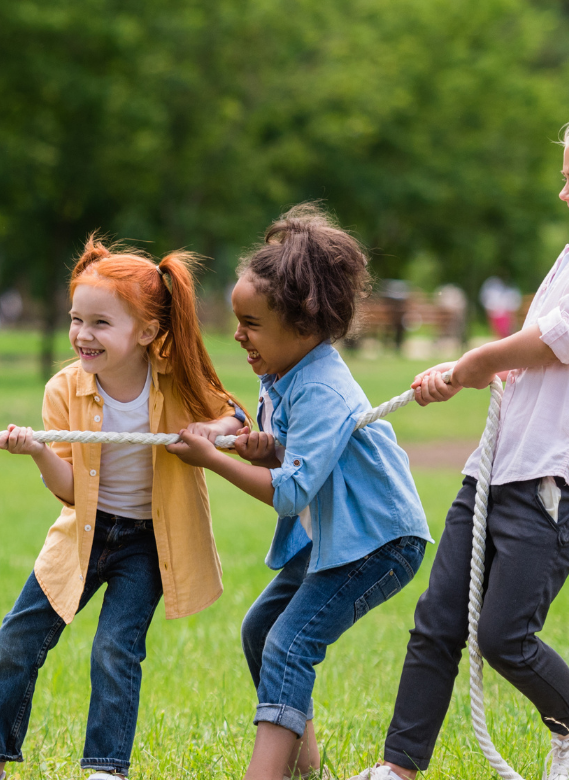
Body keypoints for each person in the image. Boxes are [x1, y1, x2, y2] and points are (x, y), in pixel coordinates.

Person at [0, 237, 246, 780]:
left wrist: (208, 432)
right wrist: (39, 451)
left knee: (115, 650)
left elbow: (235, 416)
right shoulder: (64, 388)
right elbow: (71, 491)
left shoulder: (174, 378)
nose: (82, 335)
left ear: (145, 332)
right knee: (16, 640)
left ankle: (105, 770)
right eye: (76, 319)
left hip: (145, 541)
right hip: (83, 534)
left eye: (99, 323)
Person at [168, 204, 430, 780]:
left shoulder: (321, 388)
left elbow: (289, 494)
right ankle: (307, 771)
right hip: (338, 531)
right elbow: (293, 456)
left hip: (379, 540)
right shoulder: (283, 372)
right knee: (263, 630)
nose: (238, 335)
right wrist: (268, 447)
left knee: (289, 644)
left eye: (252, 324)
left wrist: (212, 460)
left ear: (305, 326)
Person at [351, 126, 569, 780]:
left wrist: (476, 361)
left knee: (505, 637)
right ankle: (398, 767)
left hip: (549, 485)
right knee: (437, 621)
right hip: (495, 469)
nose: (562, 191)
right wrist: (476, 369)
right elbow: (539, 352)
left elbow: (548, 342)